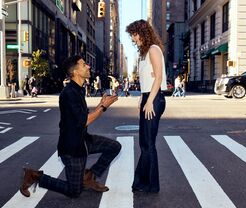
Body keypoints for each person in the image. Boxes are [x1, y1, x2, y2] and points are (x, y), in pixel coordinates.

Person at [20, 55, 121, 198]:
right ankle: (34, 176)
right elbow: (84, 121)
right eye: (84, 64)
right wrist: (104, 107)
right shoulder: (69, 93)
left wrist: (100, 104)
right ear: (75, 72)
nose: (88, 66)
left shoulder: (78, 89)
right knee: (74, 191)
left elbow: (82, 116)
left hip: (84, 141)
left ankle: (89, 177)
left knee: (114, 147)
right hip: (72, 149)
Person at [126, 19, 167, 193]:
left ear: (142, 32)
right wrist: (142, 98)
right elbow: (149, 78)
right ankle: (144, 182)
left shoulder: (153, 49)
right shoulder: (144, 53)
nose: (133, 39)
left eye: (134, 35)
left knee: (148, 143)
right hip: (148, 97)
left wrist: (149, 100)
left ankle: (151, 184)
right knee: (144, 143)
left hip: (154, 99)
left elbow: (158, 77)